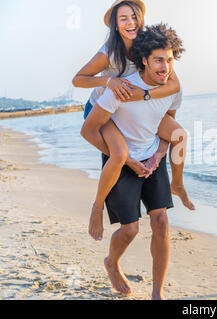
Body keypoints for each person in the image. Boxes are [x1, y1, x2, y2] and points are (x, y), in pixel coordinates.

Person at [72, 0, 194, 241]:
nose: (131, 23)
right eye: (124, 19)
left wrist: (146, 95)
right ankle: (97, 208)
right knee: (119, 155)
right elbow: (78, 79)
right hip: (101, 108)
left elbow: (174, 84)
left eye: (134, 17)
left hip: (132, 105)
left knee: (180, 136)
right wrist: (108, 81)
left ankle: (177, 184)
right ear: (116, 26)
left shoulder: (147, 45)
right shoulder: (109, 51)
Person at [80, 23, 184, 299]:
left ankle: (157, 292)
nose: (165, 67)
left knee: (160, 220)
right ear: (144, 60)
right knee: (130, 229)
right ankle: (111, 262)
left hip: (151, 157)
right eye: (159, 60)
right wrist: (125, 161)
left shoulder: (173, 88)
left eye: (170, 60)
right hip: (122, 159)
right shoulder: (122, 89)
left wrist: (159, 155)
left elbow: (167, 125)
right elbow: (88, 130)